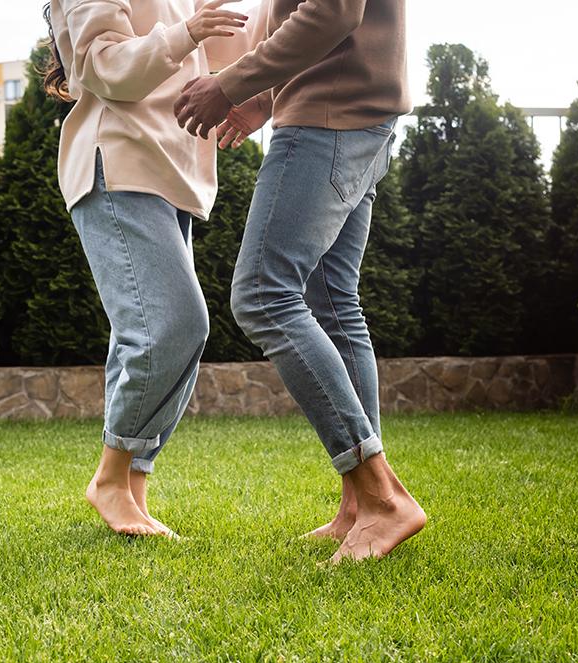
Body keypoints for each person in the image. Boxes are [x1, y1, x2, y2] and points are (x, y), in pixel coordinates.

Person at [174, 0, 426, 562]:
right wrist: (262, 98)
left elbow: (332, 13)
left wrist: (230, 84)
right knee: (334, 304)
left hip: (328, 123)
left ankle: (383, 496)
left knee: (263, 296)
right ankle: (360, 506)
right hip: (357, 119)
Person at [43, 0, 257, 537]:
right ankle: (111, 480)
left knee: (144, 336)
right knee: (173, 327)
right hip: (119, 159)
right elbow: (102, 65)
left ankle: (132, 488)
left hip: (174, 173)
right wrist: (185, 32)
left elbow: (231, 43)